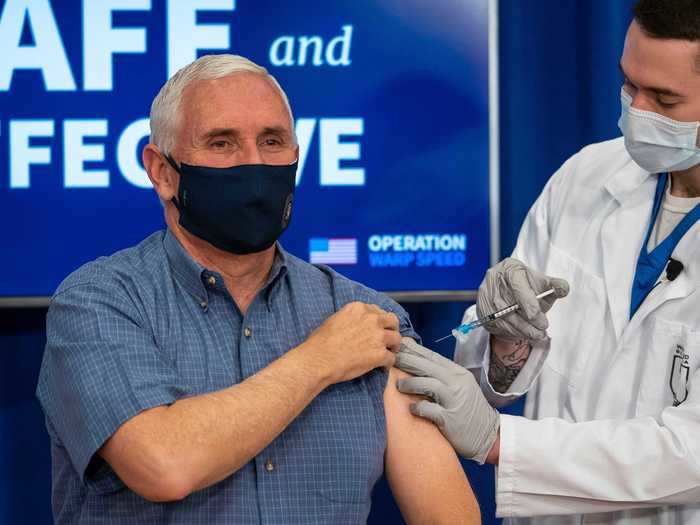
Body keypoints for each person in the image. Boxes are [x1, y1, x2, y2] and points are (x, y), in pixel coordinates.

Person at [36, 54, 479, 524]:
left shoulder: (364, 316)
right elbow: (162, 463)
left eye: (272, 141)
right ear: (162, 172)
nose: (253, 165)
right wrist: (320, 360)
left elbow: (449, 515)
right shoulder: (100, 303)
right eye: (222, 143)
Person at [394, 1, 700, 523]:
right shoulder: (587, 176)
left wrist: (501, 444)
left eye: (665, 100)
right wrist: (508, 350)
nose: (638, 110)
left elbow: (689, 452)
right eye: (630, 86)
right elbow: (490, 373)